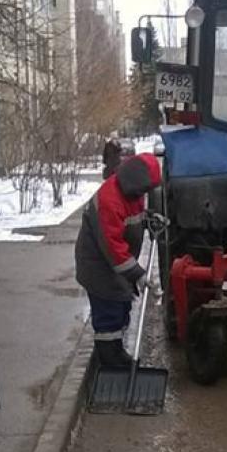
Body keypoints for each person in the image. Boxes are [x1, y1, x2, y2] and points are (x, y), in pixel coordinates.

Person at [75, 153, 162, 366]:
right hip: (99, 266)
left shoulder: (132, 192)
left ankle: (111, 353)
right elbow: (113, 247)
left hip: (114, 267)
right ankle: (109, 359)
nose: (144, 195)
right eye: (143, 190)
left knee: (122, 307)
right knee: (109, 314)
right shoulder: (109, 200)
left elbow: (133, 216)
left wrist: (149, 218)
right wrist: (138, 274)